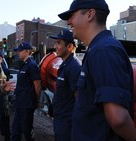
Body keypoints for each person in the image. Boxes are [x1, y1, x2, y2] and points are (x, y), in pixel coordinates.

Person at [58, 0, 136, 141]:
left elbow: (118, 118)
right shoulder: (98, 49)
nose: (68, 22)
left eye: (72, 15)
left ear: (90, 15)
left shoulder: (104, 51)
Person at [49, 29, 81, 141]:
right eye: (55, 43)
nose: (55, 46)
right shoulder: (65, 64)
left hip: (67, 123)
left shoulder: (74, 67)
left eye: (58, 43)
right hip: (60, 118)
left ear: (70, 47)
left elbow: (79, 99)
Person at [11, 41, 41, 141]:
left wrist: (36, 102)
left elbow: (37, 85)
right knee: (15, 131)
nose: (18, 53)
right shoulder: (24, 65)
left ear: (27, 51)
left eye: (20, 51)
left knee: (27, 131)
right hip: (20, 103)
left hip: (27, 104)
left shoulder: (32, 65)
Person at [0, 49, 11, 141]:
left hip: (2, 98)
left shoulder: (4, 69)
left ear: (1, 59)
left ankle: (6, 136)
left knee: (3, 117)